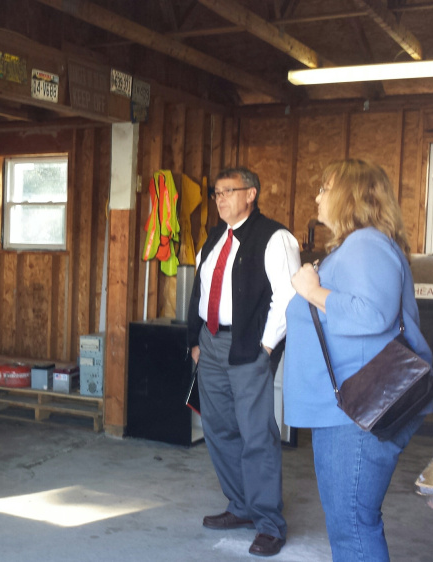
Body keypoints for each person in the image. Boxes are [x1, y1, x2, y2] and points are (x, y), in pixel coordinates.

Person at [285, 159, 433, 561]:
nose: (317, 196)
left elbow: (371, 315)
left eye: (325, 188)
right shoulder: (361, 246)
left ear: (348, 196)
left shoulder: (366, 244)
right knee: (353, 523)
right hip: (352, 409)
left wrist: (311, 290)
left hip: (357, 412)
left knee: (352, 526)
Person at [187, 167, 300, 557]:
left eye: (228, 191)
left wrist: (266, 347)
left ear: (251, 194)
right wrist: (195, 341)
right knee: (219, 429)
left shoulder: (275, 237)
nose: (219, 199)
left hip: (249, 346)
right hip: (210, 344)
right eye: (216, 193)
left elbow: (287, 297)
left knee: (256, 435)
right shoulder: (214, 237)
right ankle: (241, 506)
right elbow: (201, 290)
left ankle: (269, 523)